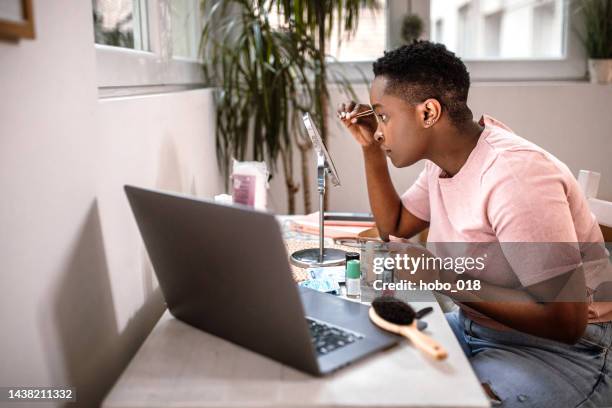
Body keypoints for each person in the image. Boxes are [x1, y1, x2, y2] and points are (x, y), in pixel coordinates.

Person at [338, 41, 612, 407]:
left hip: (565, 351)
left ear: (428, 113)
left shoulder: (515, 178)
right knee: (373, 370)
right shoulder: (446, 159)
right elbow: (397, 227)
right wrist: (371, 151)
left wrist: (439, 277)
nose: (379, 130)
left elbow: (565, 320)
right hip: (478, 328)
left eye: (384, 116)